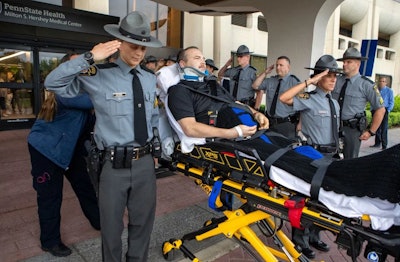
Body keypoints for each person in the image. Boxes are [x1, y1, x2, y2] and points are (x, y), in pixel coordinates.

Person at [166, 46, 400, 232]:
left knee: (300, 152)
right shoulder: (179, 91)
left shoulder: (212, 85)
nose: (202, 61)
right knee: (291, 162)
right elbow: (189, 128)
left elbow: (234, 103)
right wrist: (233, 133)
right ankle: (365, 177)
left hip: (251, 128)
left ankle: (351, 173)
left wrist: (256, 113)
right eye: (196, 57)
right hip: (233, 138)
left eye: (203, 57)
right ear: (182, 64)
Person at [44, 11, 162, 262]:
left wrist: (155, 149)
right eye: (133, 46)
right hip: (113, 165)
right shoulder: (98, 73)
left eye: (143, 47)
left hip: (144, 163)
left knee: (143, 225)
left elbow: (152, 117)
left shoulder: (150, 79)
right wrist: (88, 57)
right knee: (110, 229)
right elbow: (52, 82)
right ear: (119, 44)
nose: (139, 53)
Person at [28, 52, 100, 257]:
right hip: (46, 150)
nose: (84, 67)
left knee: (85, 186)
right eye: (78, 63)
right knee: (50, 196)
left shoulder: (82, 88)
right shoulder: (65, 90)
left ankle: (98, 221)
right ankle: (49, 241)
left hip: (70, 148)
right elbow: (93, 102)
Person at [280, 55, 342, 258]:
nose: (333, 80)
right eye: (329, 76)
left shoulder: (334, 103)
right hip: (312, 156)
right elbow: (284, 98)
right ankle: (300, 241)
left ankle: (315, 236)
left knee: (323, 202)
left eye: (335, 76)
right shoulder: (309, 98)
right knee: (305, 199)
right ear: (318, 77)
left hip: (331, 156)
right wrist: (310, 82)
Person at [333, 47, 385, 159]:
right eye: (344, 62)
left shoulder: (367, 85)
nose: (344, 64)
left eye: (348, 62)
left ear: (357, 64)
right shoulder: (336, 80)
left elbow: (380, 109)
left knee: (350, 161)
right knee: (329, 158)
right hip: (332, 125)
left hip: (352, 130)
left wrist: (371, 131)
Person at [252, 56, 301, 139]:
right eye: (277, 65)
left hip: (286, 124)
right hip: (269, 122)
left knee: (284, 148)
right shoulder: (271, 80)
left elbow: (302, 104)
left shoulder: (294, 82)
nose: (278, 68)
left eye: (281, 65)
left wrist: (300, 124)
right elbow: (255, 86)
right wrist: (265, 72)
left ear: (288, 67)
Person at [370, 76, 394, 150]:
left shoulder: (389, 91)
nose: (381, 83)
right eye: (380, 81)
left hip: (384, 110)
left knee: (384, 128)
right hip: (376, 109)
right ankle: (377, 143)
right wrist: (372, 109)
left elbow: (391, 102)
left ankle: (384, 145)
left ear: (386, 83)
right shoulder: (376, 90)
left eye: (383, 81)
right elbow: (372, 100)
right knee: (377, 127)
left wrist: (388, 110)